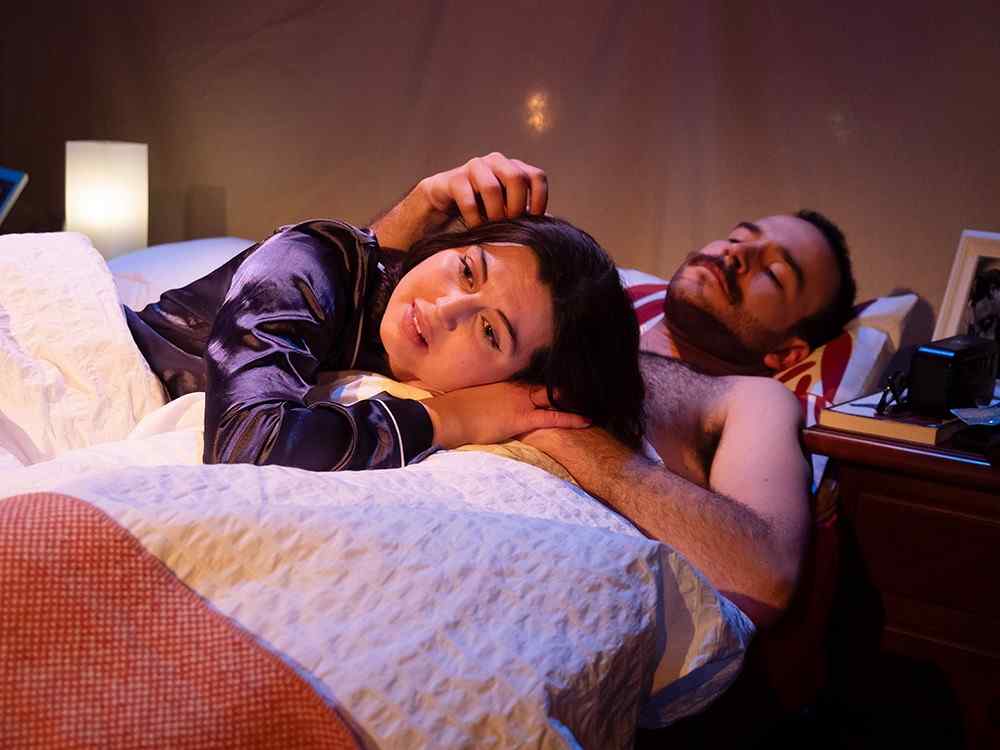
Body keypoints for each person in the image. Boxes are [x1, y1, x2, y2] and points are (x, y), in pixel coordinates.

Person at [371, 153, 857, 628]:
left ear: (788, 353)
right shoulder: (560, 300)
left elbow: (765, 573)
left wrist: (551, 422)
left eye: (773, 273)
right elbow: (346, 290)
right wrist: (427, 202)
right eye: (739, 237)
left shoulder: (748, 397)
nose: (736, 255)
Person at [124, 215, 645, 473]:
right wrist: (448, 418)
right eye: (467, 270)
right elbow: (247, 446)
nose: (444, 308)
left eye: (490, 332)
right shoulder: (314, 260)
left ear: (516, 385)